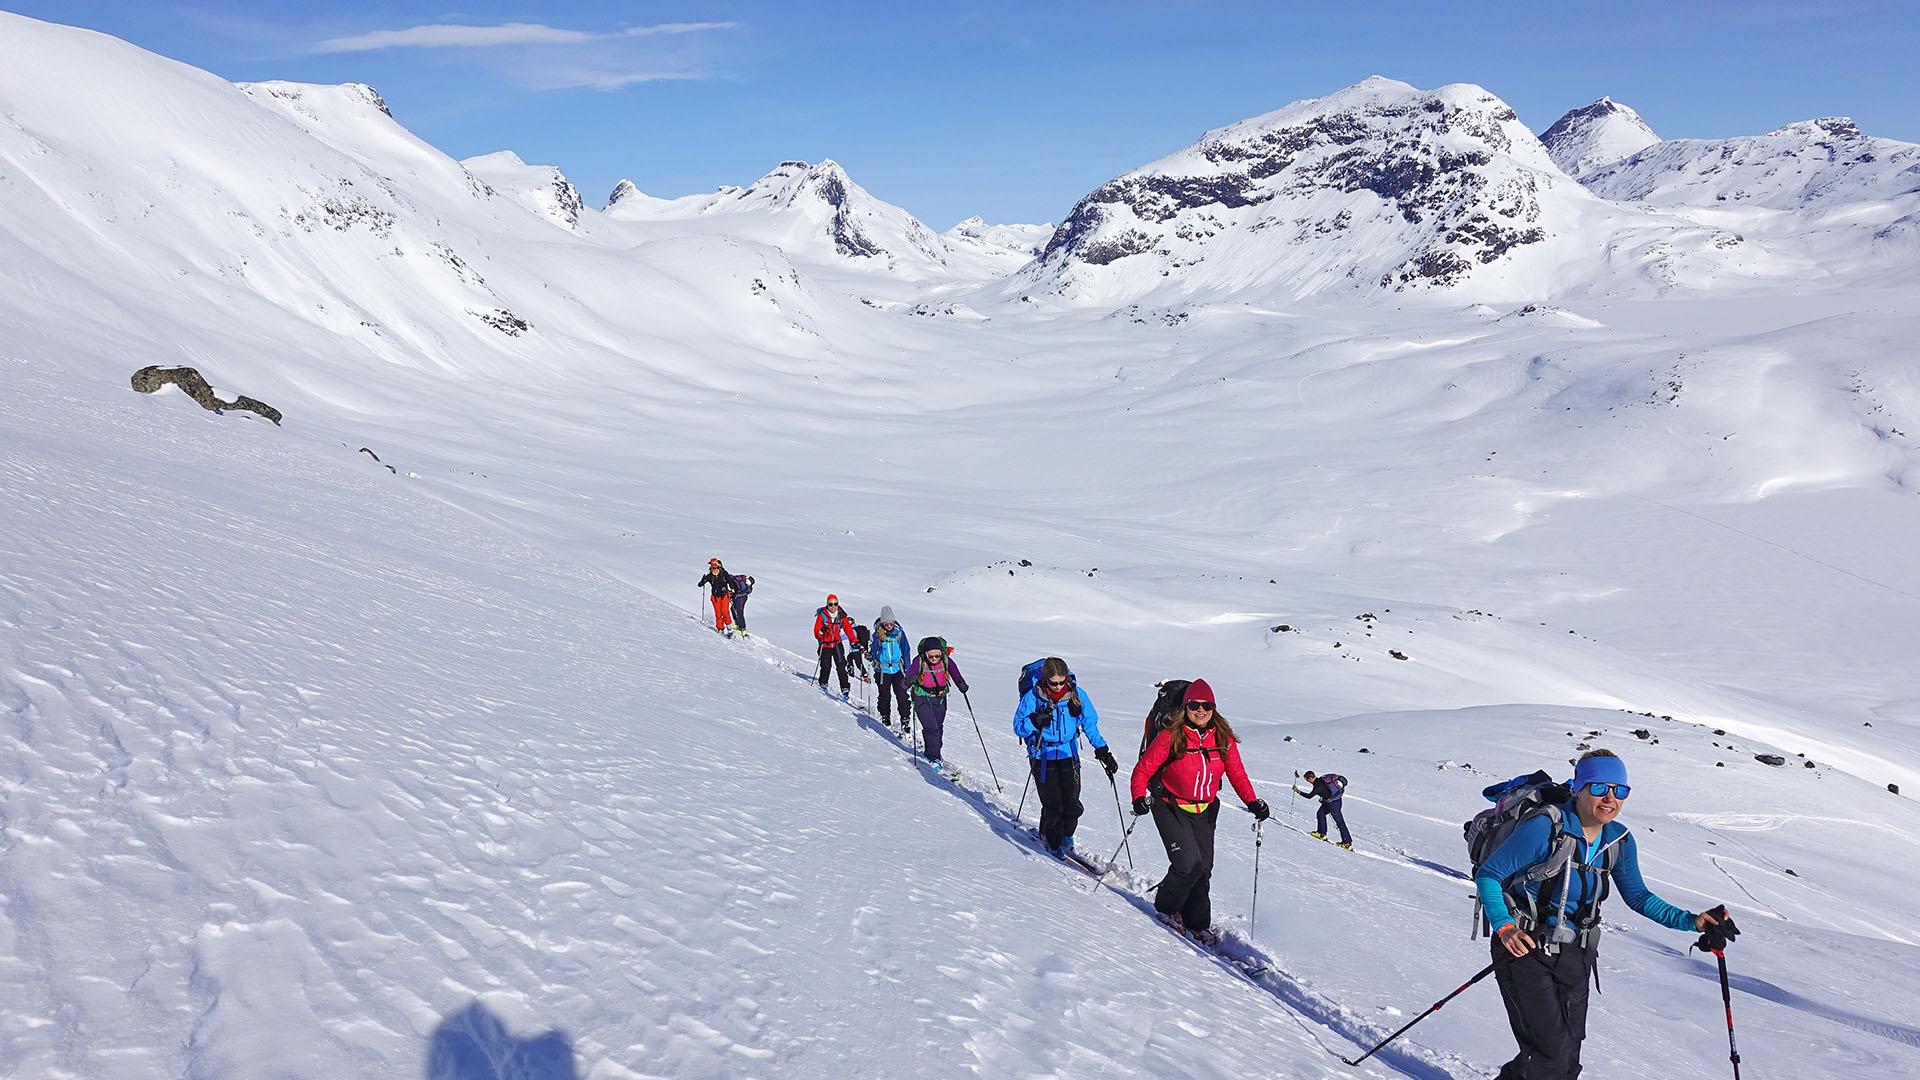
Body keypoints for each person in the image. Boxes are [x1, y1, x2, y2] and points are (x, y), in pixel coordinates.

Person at [1476, 749, 1732, 1080]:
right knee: (1549, 1056)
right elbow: (1489, 875)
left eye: (1619, 790)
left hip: (1576, 953)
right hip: (1525, 947)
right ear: (1580, 788)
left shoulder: (1618, 840)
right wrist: (1505, 927)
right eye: (1599, 788)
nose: (1610, 798)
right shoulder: (1545, 829)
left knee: (1568, 1058)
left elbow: (1638, 897)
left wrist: (1691, 921)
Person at [1130, 679, 1269, 942]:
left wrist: (1253, 802)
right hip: (1170, 805)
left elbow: (1237, 774)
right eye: (1195, 705)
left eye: (1207, 706)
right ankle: (1167, 908)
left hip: (1205, 809)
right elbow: (1143, 770)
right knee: (1187, 866)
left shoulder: (1223, 739)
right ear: (1185, 707)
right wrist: (1139, 796)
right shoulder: (1171, 735)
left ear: (1214, 708)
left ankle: (1197, 921)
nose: (1201, 710)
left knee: (1204, 868)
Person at [1013, 658, 1117, 858]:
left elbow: (1089, 723)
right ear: (1045, 680)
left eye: (1062, 681)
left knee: (1072, 803)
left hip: (1069, 754)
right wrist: (1034, 721)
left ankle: (1066, 835)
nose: (1059, 686)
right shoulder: (1033, 697)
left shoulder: (1076, 695)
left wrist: (1102, 749)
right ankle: (1052, 842)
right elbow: (1018, 727)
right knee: (1054, 804)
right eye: (1054, 683)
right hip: (1042, 755)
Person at [905, 637, 969, 770]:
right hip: (921, 697)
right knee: (931, 727)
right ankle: (934, 758)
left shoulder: (946, 660)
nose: (934, 658)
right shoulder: (919, 661)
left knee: (938, 727)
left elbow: (955, 674)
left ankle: (932, 752)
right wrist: (909, 681)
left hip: (939, 698)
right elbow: (906, 680)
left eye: (937, 655)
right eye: (931, 656)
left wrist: (961, 684)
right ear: (925, 654)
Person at [867, 607, 912, 730]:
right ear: (882, 623)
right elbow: (874, 650)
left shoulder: (899, 633)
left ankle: (905, 719)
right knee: (884, 695)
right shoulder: (877, 635)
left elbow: (906, 651)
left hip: (898, 669)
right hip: (883, 671)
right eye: (886, 623)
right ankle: (885, 716)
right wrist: (872, 656)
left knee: (902, 695)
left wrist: (908, 669)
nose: (889, 626)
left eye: (891, 623)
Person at [812, 595, 858, 698]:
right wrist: (821, 632)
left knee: (841, 666)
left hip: (837, 644)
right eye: (830, 604)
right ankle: (823, 684)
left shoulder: (841, 616)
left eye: (835, 604)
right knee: (826, 666)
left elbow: (848, 629)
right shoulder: (822, 616)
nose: (833, 606)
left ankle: (845, 688)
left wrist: (854, 641)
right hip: (825, 645)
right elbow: (816, 632)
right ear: (827, 605)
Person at [1293, 770, 1352, 848]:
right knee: (1320, 813)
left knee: (1339, 822)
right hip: (1329, 802)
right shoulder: (1320, 779)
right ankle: (1321, 833)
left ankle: (1347, 842)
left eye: (1307, 779)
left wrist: (1298, 791)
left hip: (1334, 804)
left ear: (1311, 778)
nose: (1308, 781)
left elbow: (1309, 796)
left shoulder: (1317, 786)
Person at [697, 558, 735, 636]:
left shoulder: (724, 573)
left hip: (724, 595)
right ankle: (720, 628)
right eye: (712, 568)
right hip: (715, 597)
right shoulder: (709, 576)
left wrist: (732, 588)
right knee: (718, 613)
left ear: (719, 567)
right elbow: (700, 584)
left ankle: (729, 628)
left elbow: (730, 581)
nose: (714, 569)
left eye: (716, 567)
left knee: (725, 612)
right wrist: (702, 581)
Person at [727, 569, 755, 637]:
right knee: (733, 609)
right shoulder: (741, 579)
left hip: (741, 598)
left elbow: (742, 591)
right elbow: (733, 579)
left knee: (739, 612)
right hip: (737, 597)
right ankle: (737, 624)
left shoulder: (745, 584)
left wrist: (733, 593)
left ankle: (743, 628)